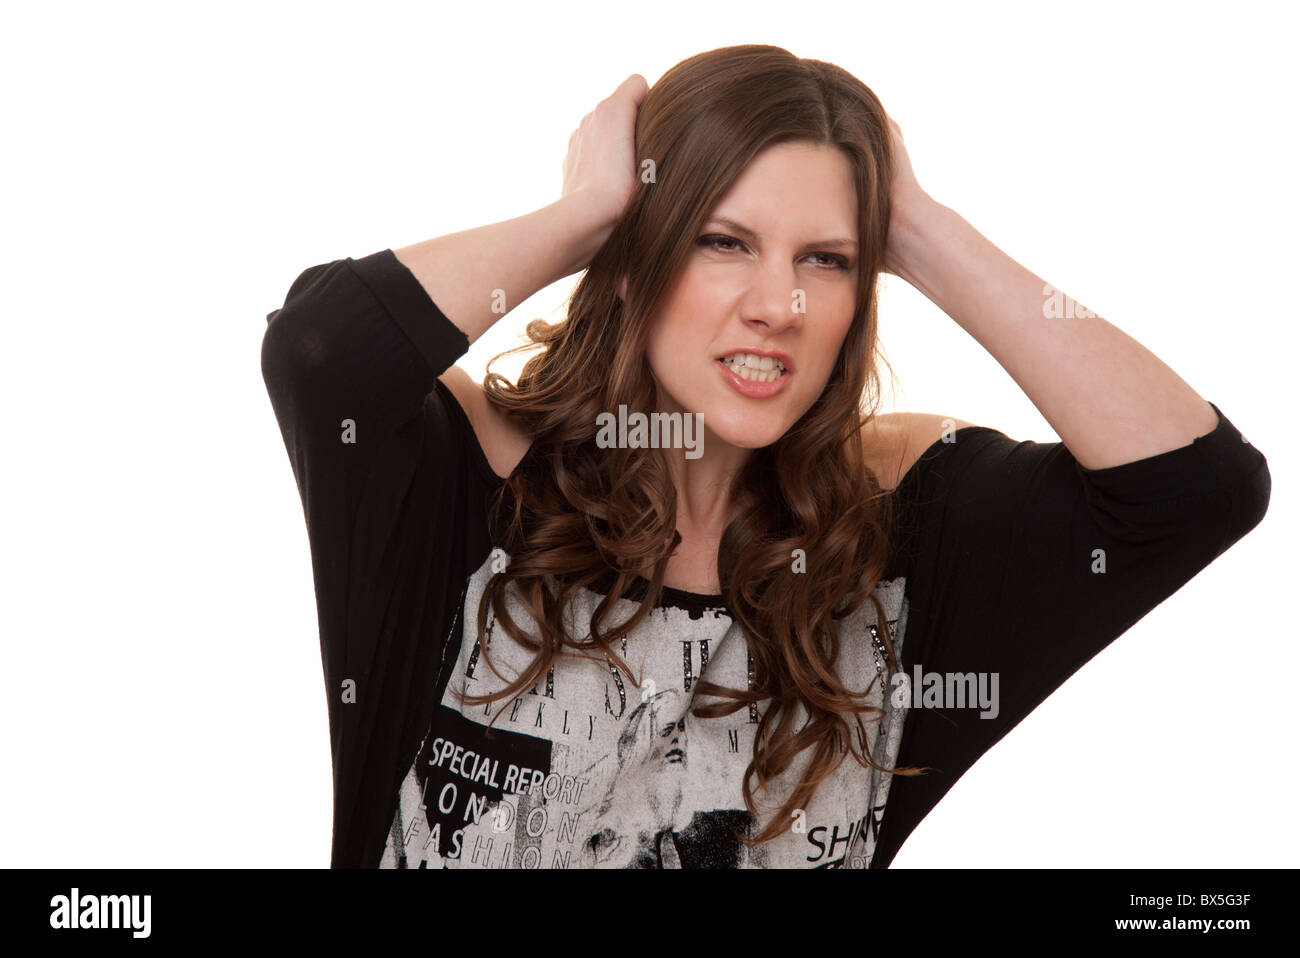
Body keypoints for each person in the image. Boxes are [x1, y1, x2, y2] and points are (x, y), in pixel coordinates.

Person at [260, 45, 1271, 869]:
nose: (777, 306)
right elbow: (320, 349)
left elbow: (1195, 487)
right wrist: (581, 219)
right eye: (721, 241)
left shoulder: (898, 530)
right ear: (634, 258)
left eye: (824, 259)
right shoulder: (465, 475)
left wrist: (914, 225)